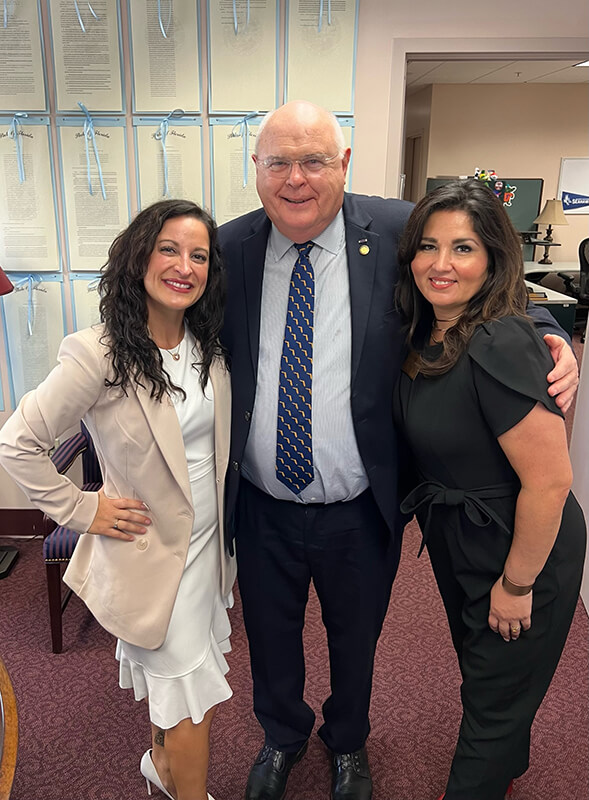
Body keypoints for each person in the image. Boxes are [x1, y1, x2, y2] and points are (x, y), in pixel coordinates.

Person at [217, 101, 580, 800]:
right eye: (278, 162)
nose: (296, 179)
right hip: (261, 501)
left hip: (362, 504)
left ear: (344, 165)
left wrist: (549, 332)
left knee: (357, 637)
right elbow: (161, 302)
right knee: (267, 634)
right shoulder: (228, 248)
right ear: (255, 169)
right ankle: (281, 735)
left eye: (314, 161)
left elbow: (484, 274)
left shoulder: (396, 231)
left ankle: (347, 740)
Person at [0, 199, 236, 800]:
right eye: (169, 249)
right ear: (139, 258)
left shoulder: (209, 346)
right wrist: (84, 509)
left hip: (210, 549)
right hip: (152, 554)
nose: (184, 266)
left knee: (176, 686)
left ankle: (160, 769)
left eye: (199, 255)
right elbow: (17, 444)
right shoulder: (98, 353)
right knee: (190, 700)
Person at [394, 179, 586, 800]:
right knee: (491, 676)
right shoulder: (427, 331)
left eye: (463, 248)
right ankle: (508, 761)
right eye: (428, 246)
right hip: (460, 538)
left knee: (492, 699)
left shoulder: (499, 340)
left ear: (493, 258)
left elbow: (551, 480)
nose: (441, 264)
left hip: (521, 545)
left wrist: (517, 584)